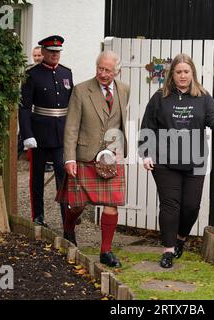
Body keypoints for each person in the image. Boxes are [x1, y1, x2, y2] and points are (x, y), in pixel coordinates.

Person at [138, 53, 214, 268]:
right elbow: (147, 126)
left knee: (191, 206)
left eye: (186, 72)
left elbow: (213, 119)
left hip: (195, 160)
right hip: (165, 161)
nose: (182, 76)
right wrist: (146, 154)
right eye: (178, 72)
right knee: (170, 205)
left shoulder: (203, 97)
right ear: (172, 74)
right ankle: (168, 250)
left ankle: (181, 238)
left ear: (192, 73)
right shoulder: (160, 97)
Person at [55, 50, 130, 268]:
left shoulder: (124, 89)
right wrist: (69, 159)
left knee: (112, 203)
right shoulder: (80, 90)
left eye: (108, 70)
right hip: (84, 156)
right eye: (100, 68)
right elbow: (71, 127)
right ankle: (69, 228)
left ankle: (106, 251)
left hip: (110, 158)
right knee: (77, 205)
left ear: (117, 71)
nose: (103, 73)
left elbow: (117, 121)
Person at [19, 35, 73, 227]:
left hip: (61, 135)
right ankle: (38, 216)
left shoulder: (66, 73)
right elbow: (25, 107)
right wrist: (27, 134)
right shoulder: (32, 75)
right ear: (42, 52)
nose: (55, 55)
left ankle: (67, 218)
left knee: (63, 177)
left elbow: (72, 106)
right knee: (37, 177)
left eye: (57, 52)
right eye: (51, 52)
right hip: (39, 135)